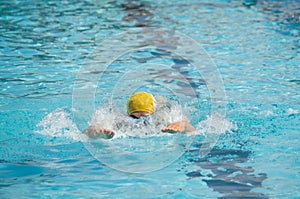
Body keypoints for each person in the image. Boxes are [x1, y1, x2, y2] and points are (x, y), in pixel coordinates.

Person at [83, 91, 195, 139]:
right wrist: (95, 132)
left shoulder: (163, 117)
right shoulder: (120, 121)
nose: (140, 122)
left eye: (145, 117)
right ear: (128, 114)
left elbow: (192, 130)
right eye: (135, 117)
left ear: (153, 113)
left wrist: (183, 126)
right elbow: (85, 133)